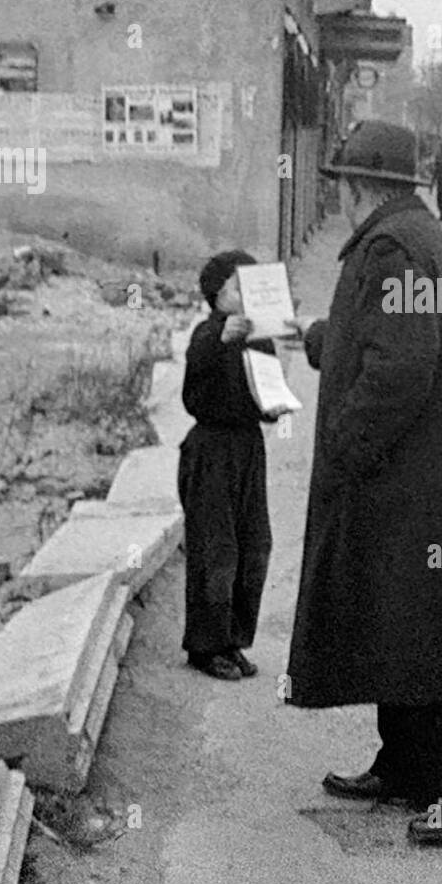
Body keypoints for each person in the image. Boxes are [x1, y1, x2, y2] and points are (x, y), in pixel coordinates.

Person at [284, 120, 442, 844]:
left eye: (342, 186)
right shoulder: (415, 236)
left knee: (427, 626)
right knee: (399, 619)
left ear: (360, 188)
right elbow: (380, 337)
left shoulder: (391, 248)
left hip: (409, 479)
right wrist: (319, 336)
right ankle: (408, 762)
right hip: (421, 473)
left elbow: (400, 366)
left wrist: (347, 444)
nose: (341, 198)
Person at [177, 251, 274, 681]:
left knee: (254, 546)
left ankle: (233, 640)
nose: (245, 295)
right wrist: (221, 337)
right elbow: (196, 370)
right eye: (237, 287)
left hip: (248, 449)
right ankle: (204, 646)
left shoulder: (258, 336)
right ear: (217, 295)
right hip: (210, 451)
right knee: (216, 550)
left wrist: (276, 406)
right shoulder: (207, 334)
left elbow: (266, 391)